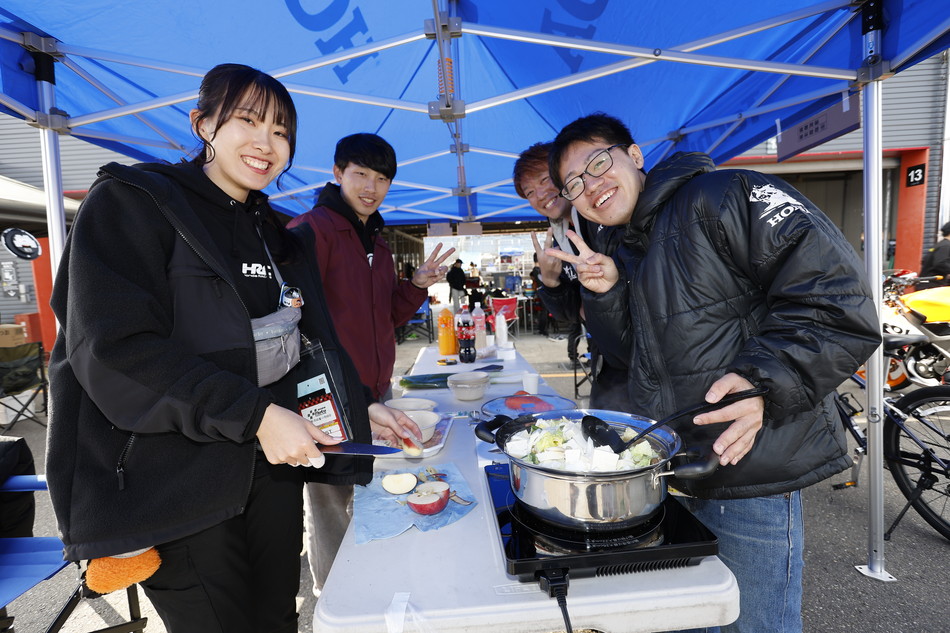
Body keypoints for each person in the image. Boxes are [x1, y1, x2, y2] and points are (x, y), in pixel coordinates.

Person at [45, 64, 421, 633]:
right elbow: (112, 349)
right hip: (172, 482)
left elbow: (299, 347)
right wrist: (257, 415)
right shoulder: (136, 201)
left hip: (268, 476)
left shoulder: (274, 235)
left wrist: (357, 405)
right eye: (248, 121)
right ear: (203, 125)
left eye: (281, 132)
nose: (266, 143)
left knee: (278, 618)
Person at [546, 113, 881, 633]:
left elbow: (838, 298)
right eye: (573, 183)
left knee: (754, 625)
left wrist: (763, 384)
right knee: (695, 619)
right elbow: (636, 357)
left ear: (634, 155)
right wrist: (609, 292)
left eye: (597, 164)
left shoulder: (724, 194)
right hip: (675, 470)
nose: (589, 186)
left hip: (751, 469)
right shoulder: (624, 246)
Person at [287, 132, 452, 595]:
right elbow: (295, 322)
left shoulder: (378, 243)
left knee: (376, 487)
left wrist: (416, 284)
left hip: (378, 391)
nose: (370, 187)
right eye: (360, 174)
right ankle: (334, 597)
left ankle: (375, 583)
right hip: (326, 396)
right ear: (337, 173)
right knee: (329, 498)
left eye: (381, 179)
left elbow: (387, 317)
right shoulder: (311, 231)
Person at [514, 141, 630, 409]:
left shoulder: (604, 218)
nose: (540, 194)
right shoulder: (559, 236)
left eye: (545, 179)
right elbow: (569, 314)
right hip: (608, 359)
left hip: (640, 358)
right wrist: (549, 280)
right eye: (530, 192)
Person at [919, 221, 950, 286]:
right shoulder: (946, 246)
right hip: (932, 286)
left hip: (926, 284)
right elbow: (940, 263)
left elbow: (924, 261)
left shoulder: (939, 245)